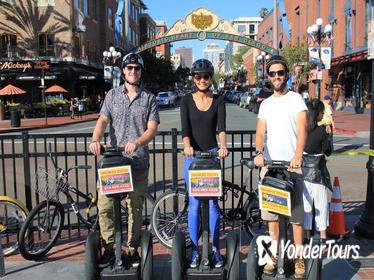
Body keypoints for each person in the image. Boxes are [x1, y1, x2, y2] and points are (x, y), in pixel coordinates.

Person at [89, 52, 159, 268]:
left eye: (136, 69)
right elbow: (102, 120)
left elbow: (152, 128)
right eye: (129, 68)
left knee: (134, 207)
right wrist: (95, 139)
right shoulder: (112, 95)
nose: (132, 72)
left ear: (140, 72)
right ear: (123, 70)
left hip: (137, 161)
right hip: (113, 161)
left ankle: (132, 248)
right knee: (105, 204)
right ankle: (110, 247)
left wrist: (137, 142)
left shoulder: (149, 98)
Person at [254, 55, 308, 278]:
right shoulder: (265, 104)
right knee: (271, 218)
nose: (277, 77)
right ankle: (271, 257)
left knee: (296, 219)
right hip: (271, 167)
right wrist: (258, 153)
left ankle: (298, 259)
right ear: (268, 77)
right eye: (272, 74)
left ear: (286, 75)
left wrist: (297, 155)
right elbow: (260, 131)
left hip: (292, 166)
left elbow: (303, 128)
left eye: (280, 73)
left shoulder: (296, 99)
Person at [180, 58, 229, 268]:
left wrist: (223, 147)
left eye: (206, 76)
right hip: (193, 157)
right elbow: (185, 130)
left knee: (213, 206)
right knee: (194, 205)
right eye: (198, 76)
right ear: (193, 78)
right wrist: (187, 146)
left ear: (211, 78)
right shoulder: (186, 100)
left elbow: (221, 128)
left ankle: (215, 249)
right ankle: (195, 250)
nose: (202, 80)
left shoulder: (219, 100)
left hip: (211, 155)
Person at [302, 99, 332, 243]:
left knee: (306, 205)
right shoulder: (322, 130)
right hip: (318, 171)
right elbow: (328, 151)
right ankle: (322, 236)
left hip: (304, 171)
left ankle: (307, 235)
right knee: (321, 204)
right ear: (318, 114)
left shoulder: (302, 130)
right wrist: (329, 135)